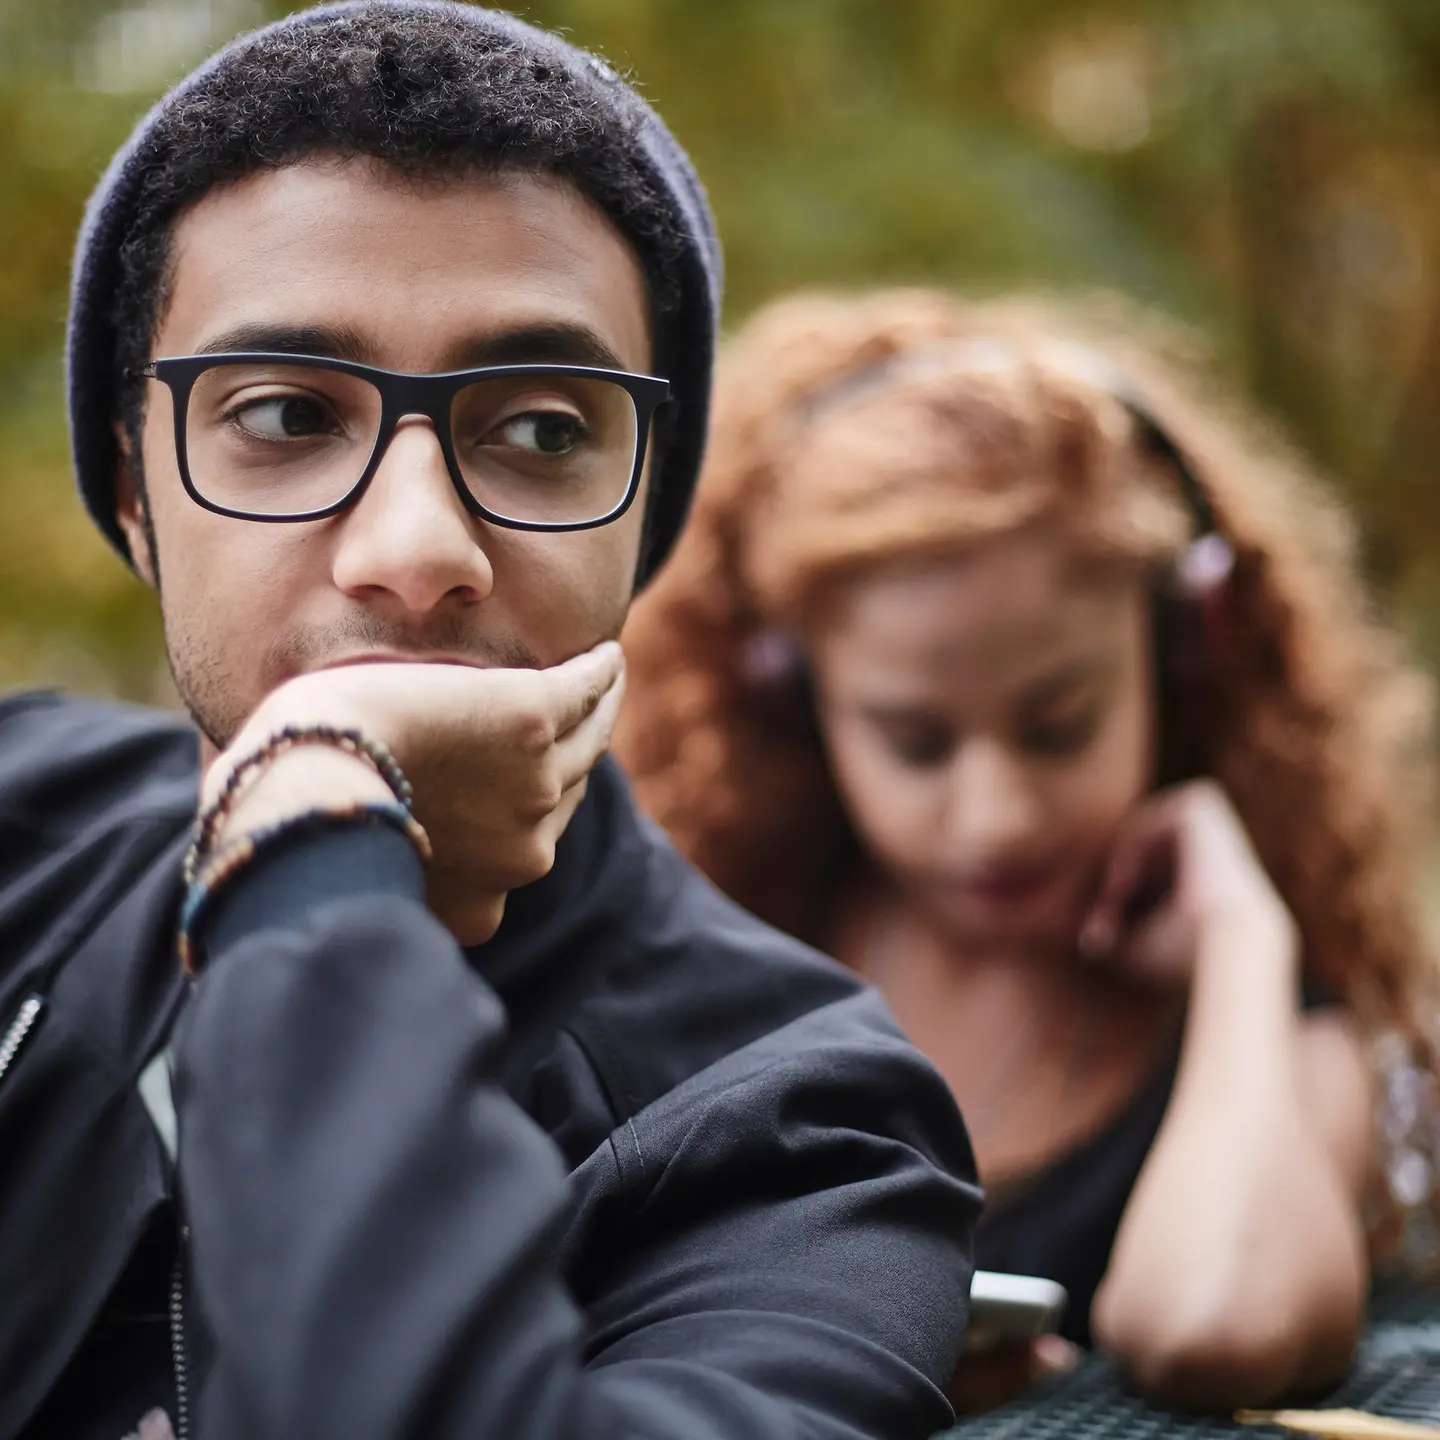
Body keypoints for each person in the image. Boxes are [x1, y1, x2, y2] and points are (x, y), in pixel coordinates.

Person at [0, 12, 982, 1439]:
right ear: (134, 494)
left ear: (645, 514)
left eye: (542, 432)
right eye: (284, 414)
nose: (415, 548)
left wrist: (311, 813)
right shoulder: (20, 826)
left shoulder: (803, 1140)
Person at [615, 288, 1440, 1411]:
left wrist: (1244, 943)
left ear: (1182, 651)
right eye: (914, 742)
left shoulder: (1284, 1027)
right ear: (795, 695)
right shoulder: (719, 945)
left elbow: (1219, 1326)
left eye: (1060, 726)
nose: (995, 815)